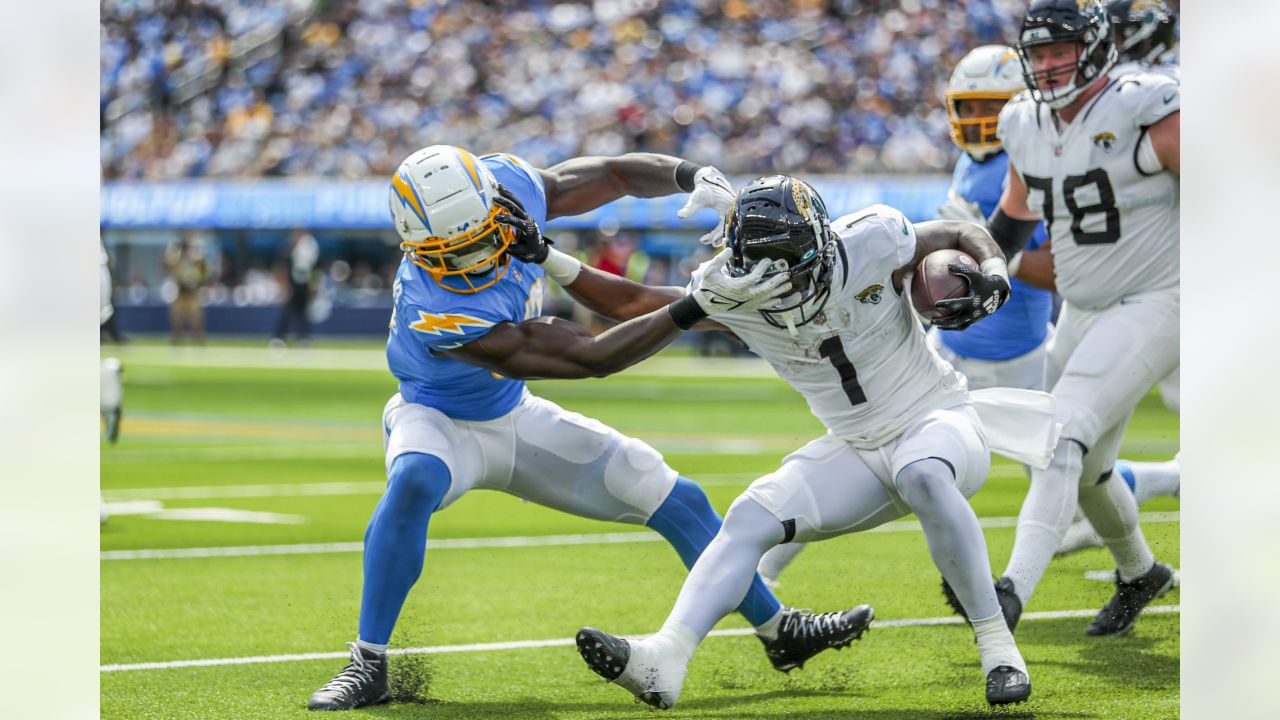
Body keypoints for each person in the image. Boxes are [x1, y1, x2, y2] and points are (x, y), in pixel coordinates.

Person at [307, 146, 871, 711]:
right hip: (437, 418)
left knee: (673, 495)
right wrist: (698, 306)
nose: (476, 258)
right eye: (453, 251)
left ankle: (779, 630)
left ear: (493, 204)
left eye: (482, 236)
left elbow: (615, 173)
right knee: (415, 478)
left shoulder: (512, 185)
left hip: (512, 412)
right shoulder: (432, 306)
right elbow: (590, 357)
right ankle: (369, 663)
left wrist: (690, 175)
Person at [561, 175, 1056, 707]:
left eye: (794, 269)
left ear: (822, 242)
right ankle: (665, 657)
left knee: (922, 473)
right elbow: (632, 301)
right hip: (854, 447)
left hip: (936, 416)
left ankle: (998, 646)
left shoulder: (871, 237)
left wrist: (996, 270)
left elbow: (959, 229)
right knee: (749, 516)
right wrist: (551, 257)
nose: (789, 286)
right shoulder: (726, 287)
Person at [758, 44, 1057, 589]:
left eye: (988, 106)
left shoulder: (1031, 165)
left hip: (1021, 349)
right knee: (867, 440)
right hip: (947, 346)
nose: (975, 120)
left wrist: (989, 253)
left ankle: (1135, 561)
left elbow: (1061, 271)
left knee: (1066, 465)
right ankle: (768, 572)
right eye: (966, 108)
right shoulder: (973, 164)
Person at [983, 0, 1180, 636]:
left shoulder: (1143, 103)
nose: (1047, 64)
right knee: (1089, 468)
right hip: (1084, 309)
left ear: (1095, 46)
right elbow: (1013, 220)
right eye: (1037, 53)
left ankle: (1007, 594)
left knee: (1059, 437)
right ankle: (1140, 573)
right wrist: (981, 274)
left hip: (1161, 296)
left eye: (1059, 49)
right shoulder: (1023, 122)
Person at [272, 229, 320, 346]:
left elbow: (313, 268)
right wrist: (286, 285)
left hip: (304, 285)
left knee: (303, 313)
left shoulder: (309, 246)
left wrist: (313, 286)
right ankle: (280, 337)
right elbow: (286, 265)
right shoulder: (292, 248)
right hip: (294, 284)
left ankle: (303, 338)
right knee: (288, 311)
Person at [163, 231, 208, 345]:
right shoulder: (176, 256)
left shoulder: (196, 257)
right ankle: (177, 339)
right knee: (177, 318)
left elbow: (204, 272)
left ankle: (198, 340)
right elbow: (167, 266)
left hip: (192, 292)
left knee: (195, 318)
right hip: (181, 291)